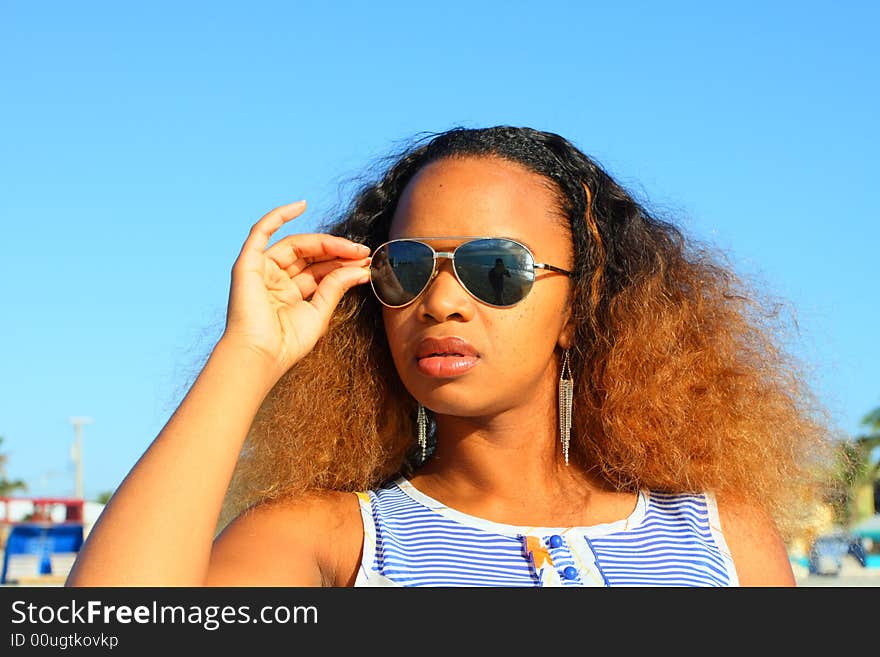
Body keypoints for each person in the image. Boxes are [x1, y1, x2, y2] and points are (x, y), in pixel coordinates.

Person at [66, 126, 832, 587]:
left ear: (580, 307)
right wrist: (250, 352)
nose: (441, 301)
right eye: (405, 267)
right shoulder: (327, 539)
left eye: (495, 269)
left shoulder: (723, 539)